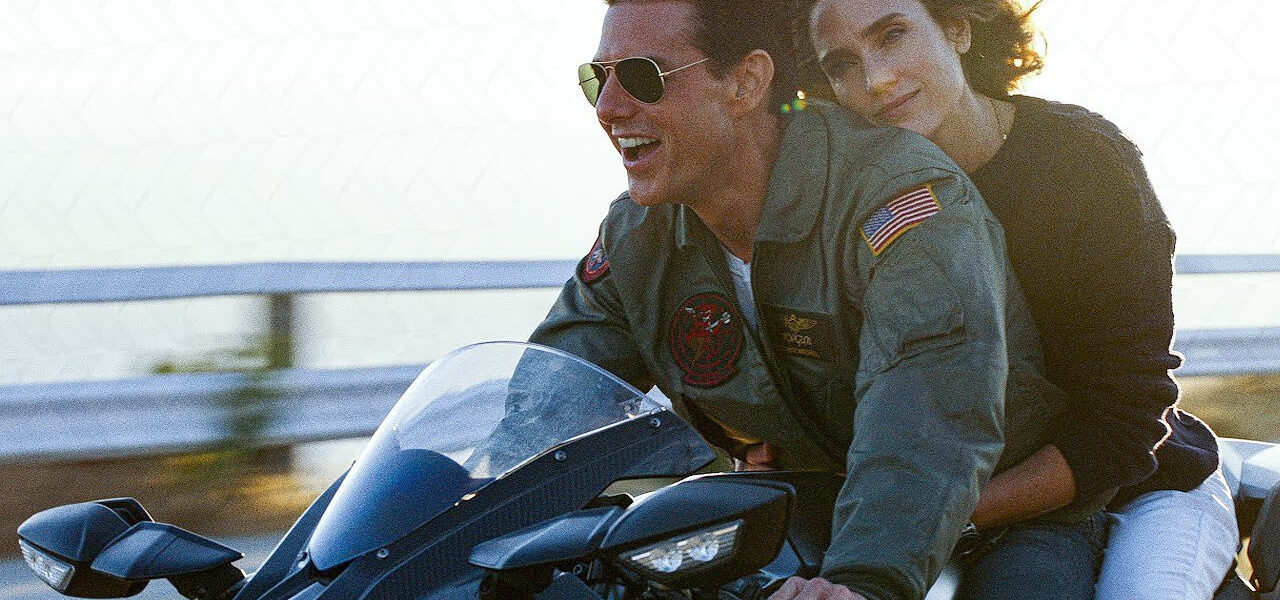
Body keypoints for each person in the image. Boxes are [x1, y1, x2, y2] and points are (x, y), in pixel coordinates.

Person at [529, 0, 1111, 598]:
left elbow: (924, 418)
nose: (608, 108)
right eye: (598, 79)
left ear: (747, 81)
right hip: (810, 518)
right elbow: (547, 405)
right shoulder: (637, 239)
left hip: (1006, 517)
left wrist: (860, 583)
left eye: (644, 76)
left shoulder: (899, 199)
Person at [798, 0, 1239, 598]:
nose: (876, 78)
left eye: (894, 35)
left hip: (1143, 487)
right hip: (944, 505)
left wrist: (922, 517)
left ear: (956, 28)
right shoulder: (847, 203)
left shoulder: (1082, 160)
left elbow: (1125, 422)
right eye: (842, 65)